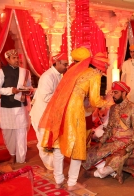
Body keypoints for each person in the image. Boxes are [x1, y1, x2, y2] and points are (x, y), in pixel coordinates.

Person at [39, 47, 109, 191]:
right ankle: (71, 183)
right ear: (101, 67)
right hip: (74, 111)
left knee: (59, 145)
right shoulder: (94, 74)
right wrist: (108, 102)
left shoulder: (71, 71)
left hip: (60, 109)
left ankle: (58, 180)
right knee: (78, 146)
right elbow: (95, 101)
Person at [83, 81, 134, 184]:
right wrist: (101, 141)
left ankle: (98, 173)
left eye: (116, 93)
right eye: (113, 93)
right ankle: (113, 174)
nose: (113, 96)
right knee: (89, 154)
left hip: (127, 143)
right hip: (113, 141)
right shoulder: (113, 108)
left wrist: (127, 149)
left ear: (124, 93)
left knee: (114, 161)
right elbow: (109, 128)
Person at [30, 53, 68, 171]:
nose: (66, 67)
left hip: (49, 114)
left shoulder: (57, 75)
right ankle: (50, 165)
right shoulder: (48, 76)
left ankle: (52, 164)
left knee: (50, 139)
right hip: (41, 115)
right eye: (65, 64)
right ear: (57, 63)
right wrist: (64, 95)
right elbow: (46, 97)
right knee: (43, 140)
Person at [0, 49, 32, 164]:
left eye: (17, 58)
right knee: (8, 133)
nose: (17, 60)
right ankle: (12, 155)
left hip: (20, 106)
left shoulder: (25, 72)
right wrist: (11, 90)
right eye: (14, 58)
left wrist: (27, 91)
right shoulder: (1, 72)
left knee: (21, 132)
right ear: (8, 59)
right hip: (7, 107)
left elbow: (29, 87)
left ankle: (21, 158)